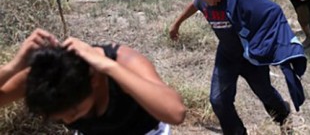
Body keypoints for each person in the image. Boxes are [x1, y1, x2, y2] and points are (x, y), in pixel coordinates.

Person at [170, 0, 307, 135]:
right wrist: (177, 24)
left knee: (265, 94)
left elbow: (273, 11)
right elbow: (196, 4)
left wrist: (270, 45)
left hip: (250, 57)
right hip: (227, 56)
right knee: (218, 100)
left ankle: (284, 119)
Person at [0, 29, 186, 135]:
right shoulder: (46, 77)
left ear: (94, 79)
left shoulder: (121, 61)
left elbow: (175, 113)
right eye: (61, 117)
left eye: (74, 112)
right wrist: (13, 67)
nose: (68, 120)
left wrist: (109, 67)